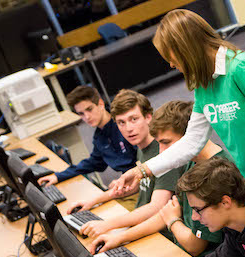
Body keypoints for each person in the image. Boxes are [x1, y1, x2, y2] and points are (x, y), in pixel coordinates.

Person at [110, 9, 245, 205]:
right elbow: (192, 141)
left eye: (170, 56)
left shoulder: (239, 68)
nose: (171, 64)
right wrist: (141, 171)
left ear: (186, 48)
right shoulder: (204, 85)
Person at [88, 100, 226, 257]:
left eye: (166, 142)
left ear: (191, 137)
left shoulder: (213, 173)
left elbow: (194, 246)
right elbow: (165, 213)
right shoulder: (191, 163)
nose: (161, 152)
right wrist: (119, 238)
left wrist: (173, 220)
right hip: (181, 248)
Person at [69, 90, 184, 240]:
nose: (128, 129)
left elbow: (156, 207)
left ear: (148, 117)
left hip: (159, 232)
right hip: (141, 222)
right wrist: (93, 201)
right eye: (121, 123)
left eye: (134, 119)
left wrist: (108, 225)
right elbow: (136, 187)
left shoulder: (162, 150)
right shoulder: (141, 148)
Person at [38, 86, 136, 188]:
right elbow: (93, 163)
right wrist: (58, 176)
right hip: (129, 183)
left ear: (101, 104)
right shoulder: (100, 137)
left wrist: (124, 179)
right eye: (81, 113)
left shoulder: (124, 125)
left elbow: (145, 159)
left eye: (89, 109)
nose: (87, 117)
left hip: (142, 178)